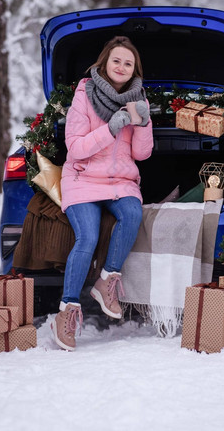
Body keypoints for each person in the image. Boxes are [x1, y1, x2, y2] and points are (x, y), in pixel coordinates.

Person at [51, 36, 154, 350]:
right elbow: (77, 148)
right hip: (82, 178)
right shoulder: (85, 93)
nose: (121, 67)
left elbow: (142, 154)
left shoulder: (139, 99)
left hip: (119, 180)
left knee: (133, 213)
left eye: (128, 63)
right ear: (104, 63)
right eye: (116, 61)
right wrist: (111, 127)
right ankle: (66, 311)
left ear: (134, 69)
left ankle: (106, 279)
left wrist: (143, 122)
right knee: (88, 237)